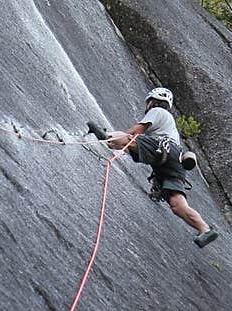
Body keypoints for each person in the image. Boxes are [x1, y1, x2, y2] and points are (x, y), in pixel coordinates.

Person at [90, 87, 218, 248]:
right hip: (175, 161)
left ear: (153, 101)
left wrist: (115, 137)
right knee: (178, 204)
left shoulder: (157, 110)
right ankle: (204, 229)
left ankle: (106, 136)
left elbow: (137, 131)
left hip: (164, 148)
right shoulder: (170, 127)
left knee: (131, 140)